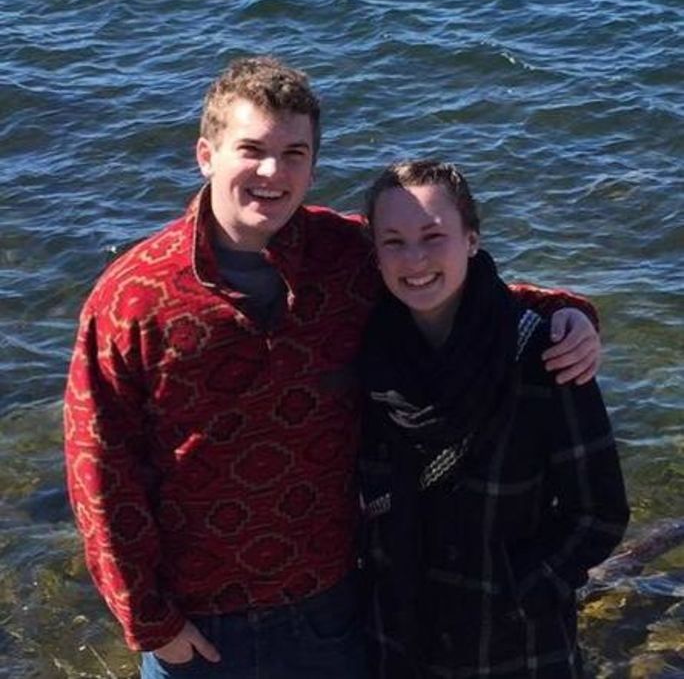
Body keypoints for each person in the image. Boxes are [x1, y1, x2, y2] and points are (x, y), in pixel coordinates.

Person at [63, 57, 602, 679]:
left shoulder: (344, 255)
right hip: (199, 625)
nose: (273, 171)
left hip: (333, 604)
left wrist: (567, 311)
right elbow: (99, 470)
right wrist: (150, 620)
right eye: (251, 149)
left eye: (295, 152)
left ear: (314, 165)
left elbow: (446, 283)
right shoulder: (133, 298)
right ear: (206, 155)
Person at [359, 160, 630, 678]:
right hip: (397, 639)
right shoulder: (367, 356)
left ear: (472, 240)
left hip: (514, 646)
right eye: (393, 241)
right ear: (374, 254)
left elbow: (600, 511)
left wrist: (521, 590)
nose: (414, 258)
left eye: (433, 235)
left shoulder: (544, 355)